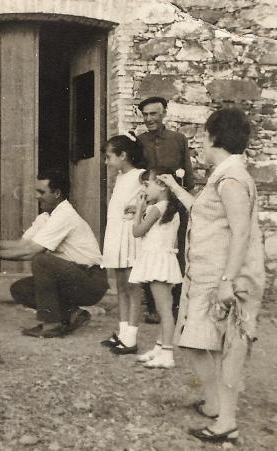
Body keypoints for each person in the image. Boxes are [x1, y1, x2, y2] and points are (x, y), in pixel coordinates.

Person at [159, 108, 264, 444]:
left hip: (224, 279)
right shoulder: (224, 176)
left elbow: (241, 232)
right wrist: (174, 187)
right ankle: (216, 406)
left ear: (214, 137)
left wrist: (227, 282)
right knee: (201, 344)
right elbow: (204, 212)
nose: (201, 143)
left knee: (226, 349)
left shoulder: (231, 179)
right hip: (208, 277)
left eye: (204, 136)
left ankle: (226, 422)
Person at [0, 170, 109, 338]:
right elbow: (22, 244)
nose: (36, 196)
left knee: (42, 260)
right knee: (21, 289)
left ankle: (51, 324)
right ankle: (73, 315)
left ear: (57, 193)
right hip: (72, 277)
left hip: (91, 282)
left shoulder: (65, 215)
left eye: (41, 192)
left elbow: (30, 251)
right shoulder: (45, 217)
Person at [138, 96, 194, 323]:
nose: (149, 118)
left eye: (153, 113)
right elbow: (138, 176)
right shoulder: (139, 141)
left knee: (177, 252)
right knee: (150, 251)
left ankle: (176, 305)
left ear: (164, 114)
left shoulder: (178, 139)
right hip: (151, 206)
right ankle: (154, 307)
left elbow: (188, 176)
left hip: (175, 207)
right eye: (145, 115)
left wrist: (184, 204)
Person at [128, 168, 183, 368]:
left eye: (147, 184)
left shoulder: (157, 208)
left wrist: (139, 210)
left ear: (161, 185)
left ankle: (167, 354)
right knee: (164, 308)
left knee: (164, 311)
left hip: (157, 262)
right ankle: (160, 348)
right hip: (165, 260)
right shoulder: (170, 209)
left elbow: (137, 231)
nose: (144, 189)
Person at [99, 133, 145, 355]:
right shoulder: (119, 177)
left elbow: (159, 199)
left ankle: (131, 338)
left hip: (130, 235)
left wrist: (140, 209)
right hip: (117, 233)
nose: (106, 162)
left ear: (123, 155)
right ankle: (123, 332)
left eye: (109, 157)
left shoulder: (140, 176)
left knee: (132, 285)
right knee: (120, 284)